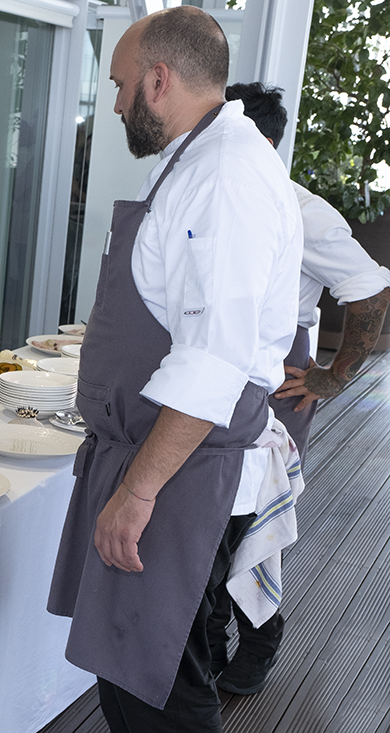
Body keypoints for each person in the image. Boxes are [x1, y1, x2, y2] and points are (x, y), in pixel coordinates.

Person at [45, 8, 303, 732]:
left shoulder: (225, 178)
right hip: (157, 457)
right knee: (134, 675)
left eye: (123, 85)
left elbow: (214, 358)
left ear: (159, 80)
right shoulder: (197, 159)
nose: (118, 102)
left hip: (178, 470)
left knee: (157, 685)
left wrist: (138, 489)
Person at [204, 82, 390, 696]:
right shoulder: (213, 197)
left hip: (278, 376)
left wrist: (332, 377)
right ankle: (203, 647)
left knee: (249, 520)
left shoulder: (302, 209)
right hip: (212, 368)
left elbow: (369, 288)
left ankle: (258, 642)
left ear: (256, 139)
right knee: (208, 520)